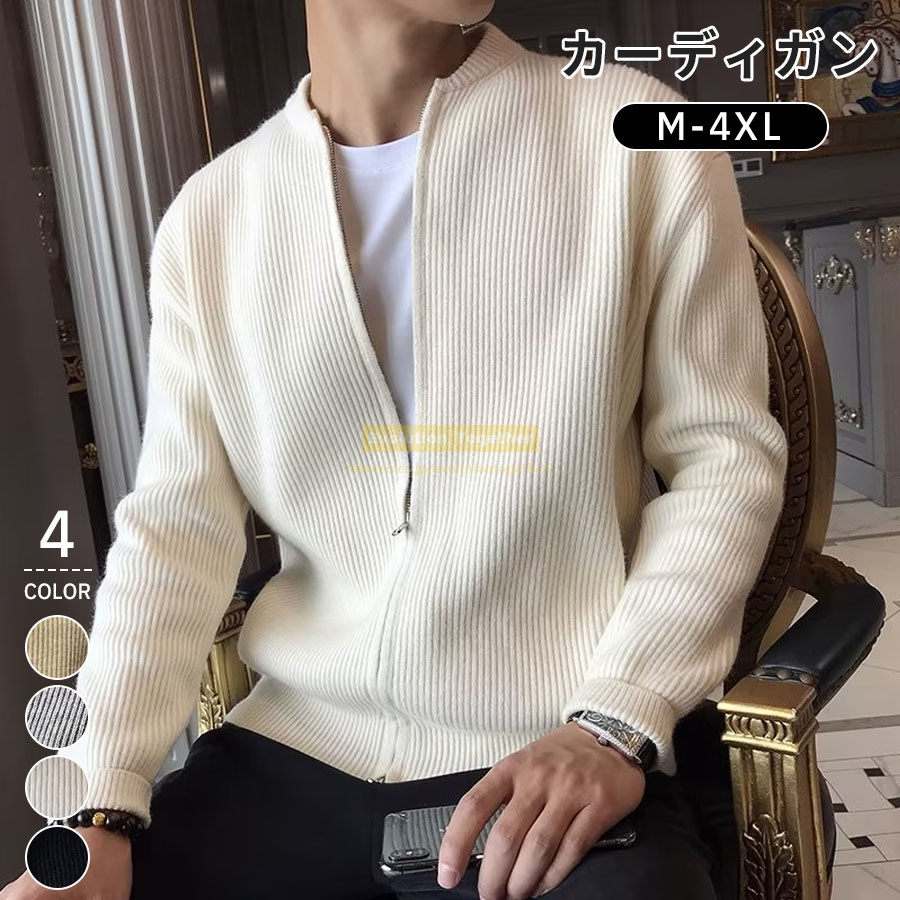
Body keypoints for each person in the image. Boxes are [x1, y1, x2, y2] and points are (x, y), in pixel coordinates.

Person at [2, 1, 789, 898]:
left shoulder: (638, 139)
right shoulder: (212, 220)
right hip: (290, 752)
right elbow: (174, 533)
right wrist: (97, 805)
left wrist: (613, 722)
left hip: (555, 742)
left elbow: (722, 461)